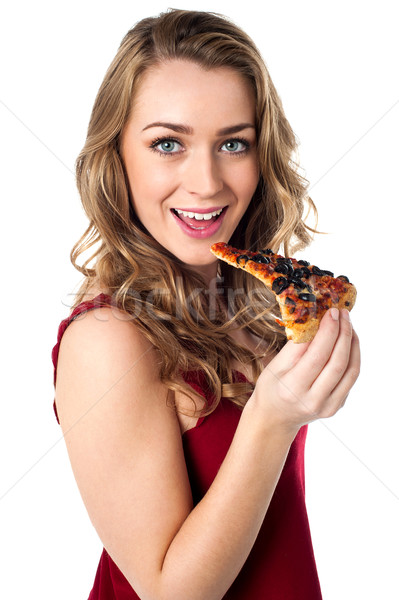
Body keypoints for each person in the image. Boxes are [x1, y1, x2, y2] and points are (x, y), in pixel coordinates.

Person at [52, 9, 360, 600]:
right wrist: (273, 417)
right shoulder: (106, 339)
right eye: (168, 143)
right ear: (115, 155)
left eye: (233, 144)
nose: (206, 182)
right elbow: (171, 593)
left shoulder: (249, 307)